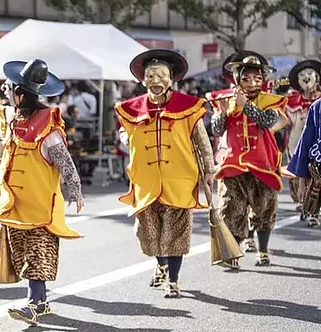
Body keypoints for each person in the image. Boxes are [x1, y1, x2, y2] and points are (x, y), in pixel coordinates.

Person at [0, 59, 85, 325]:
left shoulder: (47, 127)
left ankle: (34, 303)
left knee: (37, 254)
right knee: (22, 254)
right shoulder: (11, 118)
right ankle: (40, 303)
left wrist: (75, 189)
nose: (5, 93)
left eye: (9, 89)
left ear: (20, 95)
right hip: (14, 204)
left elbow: (64, 161)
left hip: (41, 205)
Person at [115, 50, 215, 298]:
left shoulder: (188, 107)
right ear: (143, 79)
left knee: (176, 232)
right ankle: (160, 263)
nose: (156, 80)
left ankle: (173, 280)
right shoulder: (132, 109)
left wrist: (210, 170)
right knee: (148, 231)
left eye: (162, 75)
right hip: (145, 181)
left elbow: (202, 141)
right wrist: (127, 137)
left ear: (171, 79)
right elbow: (123, 132)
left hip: (180, 178)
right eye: (151, 75)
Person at [212, 52, 288, 268]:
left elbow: (266, 122)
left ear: (263, 80)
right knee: (230, 207)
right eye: (246, 78)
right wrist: (223, 114)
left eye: (257, 79)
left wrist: (245, 105)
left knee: (264, 206)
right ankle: (231, 254)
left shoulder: (271, 101)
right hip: (232, 163)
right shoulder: (225, 99)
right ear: (238, 79)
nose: (252, 83)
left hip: (261, 163)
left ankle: (262, 251)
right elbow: (217, 130)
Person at [285, 60, 321, 225]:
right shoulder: (311, 106)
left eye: (310, 74)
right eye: (302, 75)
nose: (306, 78)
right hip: (302, 146)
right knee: (304, 180)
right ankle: (308, 207)